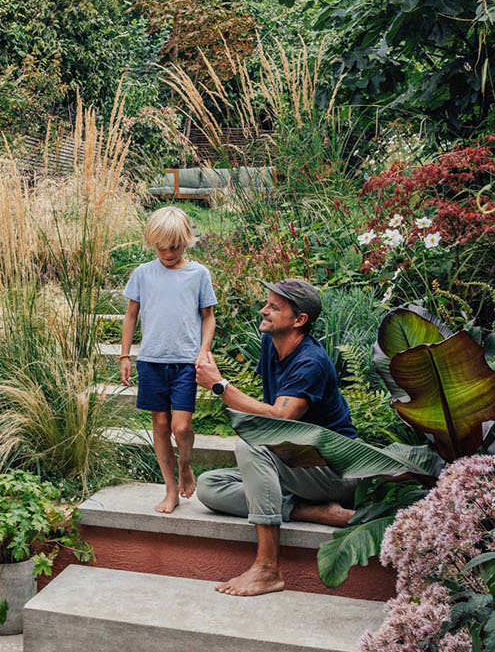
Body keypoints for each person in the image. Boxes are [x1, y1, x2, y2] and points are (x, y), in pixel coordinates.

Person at [194, 279, 361, 597]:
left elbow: (280, 420)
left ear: (299, 320)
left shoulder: (310, 362)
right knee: (210, 487)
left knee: (252, 444)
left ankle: (268, 569)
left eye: (274, 307)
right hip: (297, 467)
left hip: (334, 470)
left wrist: (220, 385)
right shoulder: (272, 344)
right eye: (266, 303)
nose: (263, 310)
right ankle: (308, 510)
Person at [120, 206, 217, 513]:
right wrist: (125, 354)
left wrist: (203, 350)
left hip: (186, 363)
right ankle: (171, 489)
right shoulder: (143, 273)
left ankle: (185, 464)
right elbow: (131, 315)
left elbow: (209, 316)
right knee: (160, 425)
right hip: (151, 362)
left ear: (186, 241)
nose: (167, 252)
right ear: (152, 243)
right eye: (161, 247)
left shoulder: (198, 274)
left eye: (174, 247)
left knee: (181, 428)